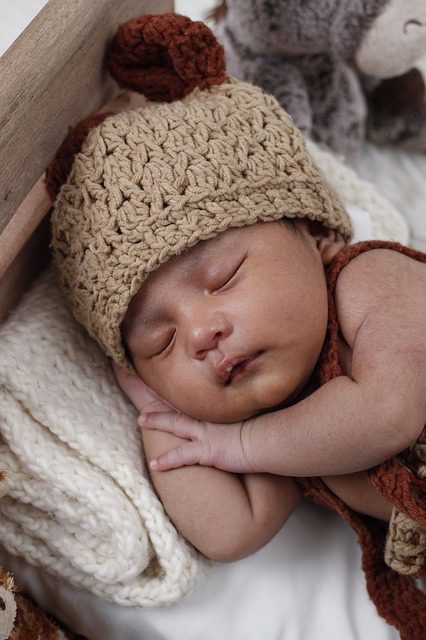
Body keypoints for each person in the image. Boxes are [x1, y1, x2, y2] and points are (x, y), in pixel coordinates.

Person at [47, 12, 425, 636]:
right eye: (158, 341)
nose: (199, 334)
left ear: (311, 231)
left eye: (222, 278)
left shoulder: (371, 281)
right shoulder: (280, 428)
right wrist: (163, 411)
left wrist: (240, 446)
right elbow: (229, 530)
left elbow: (390, 414)